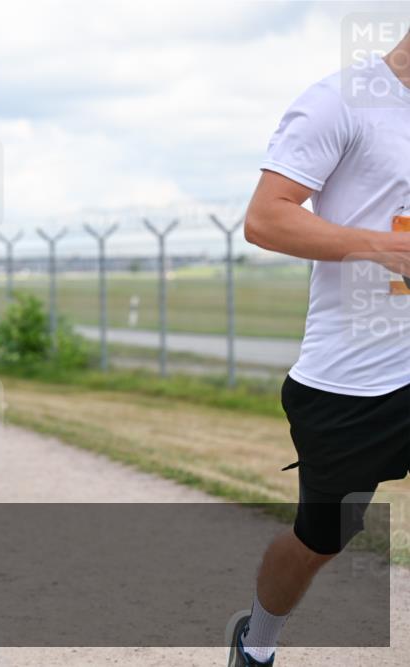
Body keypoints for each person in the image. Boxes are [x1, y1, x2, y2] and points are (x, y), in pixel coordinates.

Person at [227, 33, 409, 666]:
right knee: (323, 537)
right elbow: (266, 217)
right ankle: (257, 643)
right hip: (352, 380)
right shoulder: (342, 101)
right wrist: (382, 248)